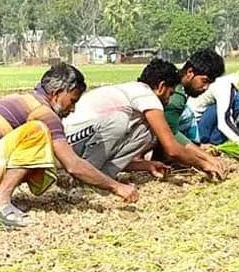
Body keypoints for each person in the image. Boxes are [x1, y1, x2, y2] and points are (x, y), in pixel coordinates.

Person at [0, 63, 139, 228]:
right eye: (72, 101)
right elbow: (72, 164)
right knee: (37, 132)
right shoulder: (43, 112)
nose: (72, 110)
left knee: (42, 149)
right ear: (56, 94)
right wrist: (116, 187)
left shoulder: (26, 101)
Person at [64, 57, 226, 182]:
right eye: (169, 93)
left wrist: (146, 165)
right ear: (161, 86)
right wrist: (204, 164)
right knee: (118, 122)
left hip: (85, 141)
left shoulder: (135, 95)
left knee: (148, 133)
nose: (168, 100)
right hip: (71, 141)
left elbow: (112, 153)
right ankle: (86, 175)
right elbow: (172, 149)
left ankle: (102, 175)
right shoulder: (146, 96)